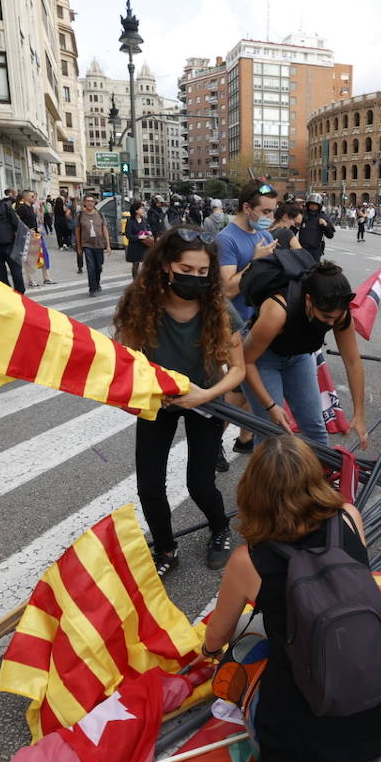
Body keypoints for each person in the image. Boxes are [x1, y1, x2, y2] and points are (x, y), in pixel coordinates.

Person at [202, 433, 381, 762]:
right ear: (316, 478)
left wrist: (211, 652)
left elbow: (218, 633)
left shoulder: (248, 561)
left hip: (306, 740)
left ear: (253, 492)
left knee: (252, 649)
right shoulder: (348, 516)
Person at [112, 226, 246, 575]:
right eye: (186, 271)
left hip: (205, 398)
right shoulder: (140, 304)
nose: (195, 279)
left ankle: (220, 528)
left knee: (200, 483)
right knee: (150, 485)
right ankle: (166, 549)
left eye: (203, 272)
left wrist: (205, 394)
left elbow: (237, 370)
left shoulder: (218, 308)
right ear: (166, 266)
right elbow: (125, 358)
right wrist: (128, 393)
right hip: (158, 400)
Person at [242, 261, 370, 450]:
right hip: (262, 359)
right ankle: (265, 478)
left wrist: (359, 415)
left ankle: (319, 477)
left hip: (299, 357)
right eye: (326, 317)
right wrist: (270, 406)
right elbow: (246, 361)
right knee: (271, 432)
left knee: (315, 429)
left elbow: (352, 363)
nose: (331, 322)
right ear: (309, 300)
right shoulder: (278, 311)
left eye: (336, 317)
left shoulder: (339, 314)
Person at [216, 181, 278, 455]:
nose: (269, 218)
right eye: (265, 212)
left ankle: (244, 439)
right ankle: (213, 440)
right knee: (241, 389)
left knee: (251, 388)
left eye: (272, 212)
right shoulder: (226, 239)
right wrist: (255, 261)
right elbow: (227, 289)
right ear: (246, 208)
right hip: (234, 326)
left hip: (257, 323)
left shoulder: (261, 237)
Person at [75, 194, 111, 295]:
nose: (90, 203)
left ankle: (97, 283)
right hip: (87, 245)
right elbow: (77, 231)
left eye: (92, 201)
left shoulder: (99, 214)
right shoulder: (80, 215)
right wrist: (79, 247)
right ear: (84, 203)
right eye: (88, 201)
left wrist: (108, 245)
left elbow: (104, 229)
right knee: (90, 267)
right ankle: (92, 288)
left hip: (99, 245)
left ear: (94, 203)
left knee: (98, 267)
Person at [297, 193, 335, 261]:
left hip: (315, 250)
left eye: (315, 204)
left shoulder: (322, 216)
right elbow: (293, 229)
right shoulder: (303, 215)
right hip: (301, 248)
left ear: (319, 206)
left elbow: (330, 235)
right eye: (311, 204)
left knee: (314, 269)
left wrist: (325, 225)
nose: (313, 206)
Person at [124, 202, 154, 279]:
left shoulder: (144, 220)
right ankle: (135, 281)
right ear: (136, 211)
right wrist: (138, 237)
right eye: (141, 208)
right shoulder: (130, 221)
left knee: (146, 263)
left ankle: (144, 280)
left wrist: (149, 232)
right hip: (135, 246)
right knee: (135, 264)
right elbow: (128, 235)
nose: (143, 210)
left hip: (144, 245)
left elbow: (148, 228)